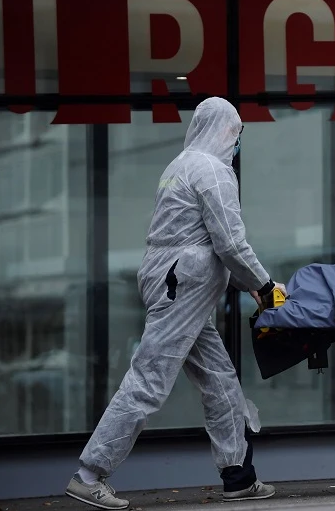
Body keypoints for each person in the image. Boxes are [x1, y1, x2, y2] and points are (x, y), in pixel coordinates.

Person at [65, 97, 284, 510]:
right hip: (182, 287)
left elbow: (202, 240)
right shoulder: (213, 172)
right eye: (236, 133)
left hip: (175, 283)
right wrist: (265, 284)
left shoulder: (179, 165)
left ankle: (238, 476)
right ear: (224, 130)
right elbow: (230, 242)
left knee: (220, 381)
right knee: (149, 380)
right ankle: (89, 474)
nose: (237, 142)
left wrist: (248, 284)